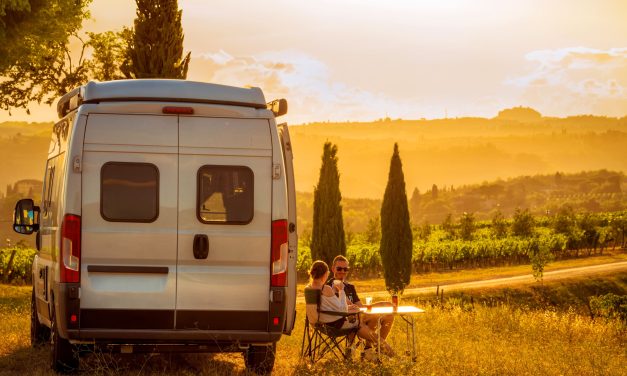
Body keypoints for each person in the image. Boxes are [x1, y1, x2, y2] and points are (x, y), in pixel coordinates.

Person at [306, 260, 387, 360]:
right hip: (335, 326)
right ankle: (387, 354)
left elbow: (330, 308)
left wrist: (349, 308)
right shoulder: (325, 288)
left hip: (319, 323)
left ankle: (365, 351)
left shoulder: (308, 288)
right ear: (326, 273)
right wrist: (341, 290)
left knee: (366, 319)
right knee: (363, 325)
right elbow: (342, 309)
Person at [327, 255, 395, 355]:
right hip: (343, 321)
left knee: (389, 314)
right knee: (374, 316)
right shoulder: (329, 287)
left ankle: (370, 350)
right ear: (333, 269)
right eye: (339, 268)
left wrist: (380, 305)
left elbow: (360, 306)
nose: (342, 271)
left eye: (345, 269)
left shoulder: (350, 287)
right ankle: (375, 349)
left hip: (358, 316)